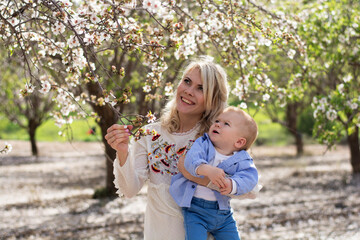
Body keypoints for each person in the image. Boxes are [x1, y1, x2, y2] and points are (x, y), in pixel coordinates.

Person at [105, 57, 229, 240]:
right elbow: (130, 190)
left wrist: (194, 175)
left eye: (201, 88)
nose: (189, 91)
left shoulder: (215, 139)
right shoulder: (149, 134)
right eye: (187, 81)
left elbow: (244, 187)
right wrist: (123, 151)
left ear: (213, 99)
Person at [170, 106, 259, 240]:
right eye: (217, 120)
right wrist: (206, 169)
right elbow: (191, 159)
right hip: (195, 211)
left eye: (226, 124)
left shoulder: (242, 159)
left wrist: (232, 184)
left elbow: (250, 177)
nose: (217, 124)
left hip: (223, 214)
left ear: (239, 142)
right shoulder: (204, 143)